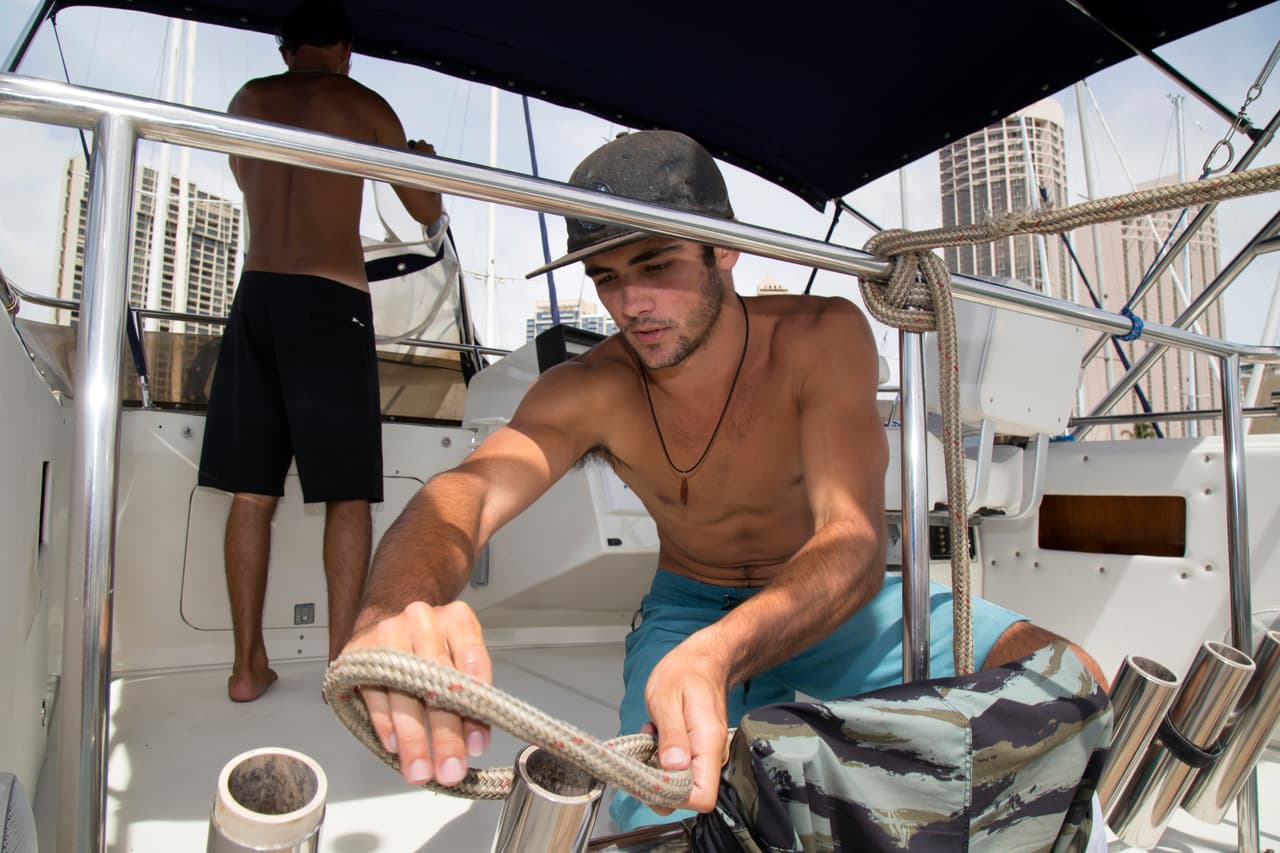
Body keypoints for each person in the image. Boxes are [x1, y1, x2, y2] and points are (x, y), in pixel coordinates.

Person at [340, 130, 1106, 829]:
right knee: (665, 816)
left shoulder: (819, 338)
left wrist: (724, 653)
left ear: (725, 250)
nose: (631, 304)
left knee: (1068, 680)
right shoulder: (590, 388)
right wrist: (393, 610)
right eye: (607, 278)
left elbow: (853, 538)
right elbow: (465, 493)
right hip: (688, 613)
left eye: (657, 266)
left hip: (831, 603)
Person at [197, 0, 444, 702]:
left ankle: (246, 668)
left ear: (286, 49)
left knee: (252, 493)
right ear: (344, 48)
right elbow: (425, 208)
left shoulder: (249, 100)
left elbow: (248, 177)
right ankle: (343, 665)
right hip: (330, 301)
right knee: (345, 494)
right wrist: (422, 164)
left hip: (257, 297)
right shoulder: (362, 103)